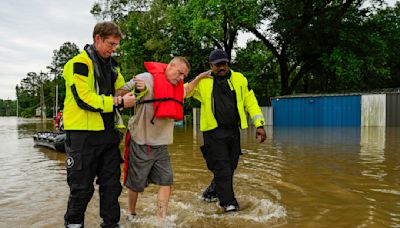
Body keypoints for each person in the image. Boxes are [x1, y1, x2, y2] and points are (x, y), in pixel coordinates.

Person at [62, 21, 136, 228]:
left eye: (116, 46)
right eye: (111, 44)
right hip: (82, 136)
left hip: (108, 134)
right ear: (97, 39)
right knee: (81, 188)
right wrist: (118, 101)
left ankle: (111, 224)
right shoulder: (79, 63)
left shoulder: (113, 66)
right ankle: (74, 224)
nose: (114, 49)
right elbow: (83, 98)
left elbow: (120, 89)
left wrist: (133, 90)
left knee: (112, 185)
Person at [117, 57, 210, 222]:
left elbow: (188, 88)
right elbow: (118, 94)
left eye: (184, 75)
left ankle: (161, 219)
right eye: (180, 73)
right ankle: (131, 213)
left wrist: (200, 77)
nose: (181, 78)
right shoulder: (146, 78)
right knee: (135, 184)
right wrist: (135, 90)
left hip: (162, 145)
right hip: (141, 141)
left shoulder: (177, 88)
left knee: (166, 180)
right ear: (171, 66)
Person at [185, 49, 267, 213]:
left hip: (233, 131)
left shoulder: (240, 79)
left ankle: (211, 193)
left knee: (231, 166)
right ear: (211, 65)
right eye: (217, 65)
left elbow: (251, 101)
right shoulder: (204, 82)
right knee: (222, 167)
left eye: (224, 63)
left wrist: (259, 124)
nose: (222, 67)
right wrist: (200, 77)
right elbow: (183, 93)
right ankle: (228, 203)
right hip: (213, 132)